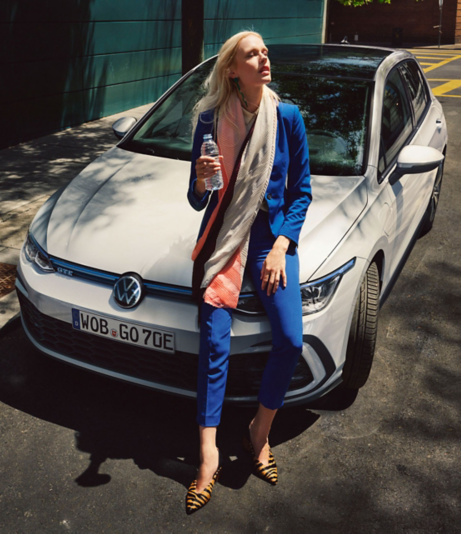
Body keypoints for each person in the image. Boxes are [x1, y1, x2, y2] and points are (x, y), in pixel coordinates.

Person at [185, 31, 312, 513]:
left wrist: (283, 245)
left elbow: (301, 191)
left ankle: (260, 432)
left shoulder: (288, 117)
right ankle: (207, 454)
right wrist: (199, 183)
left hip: (268, 243)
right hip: (224, 238)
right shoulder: (210, 121)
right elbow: (201, 197)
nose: (264, 57)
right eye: (252, 53)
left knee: (291, 339)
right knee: (214, 343)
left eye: (265, 50)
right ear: (232, 70)